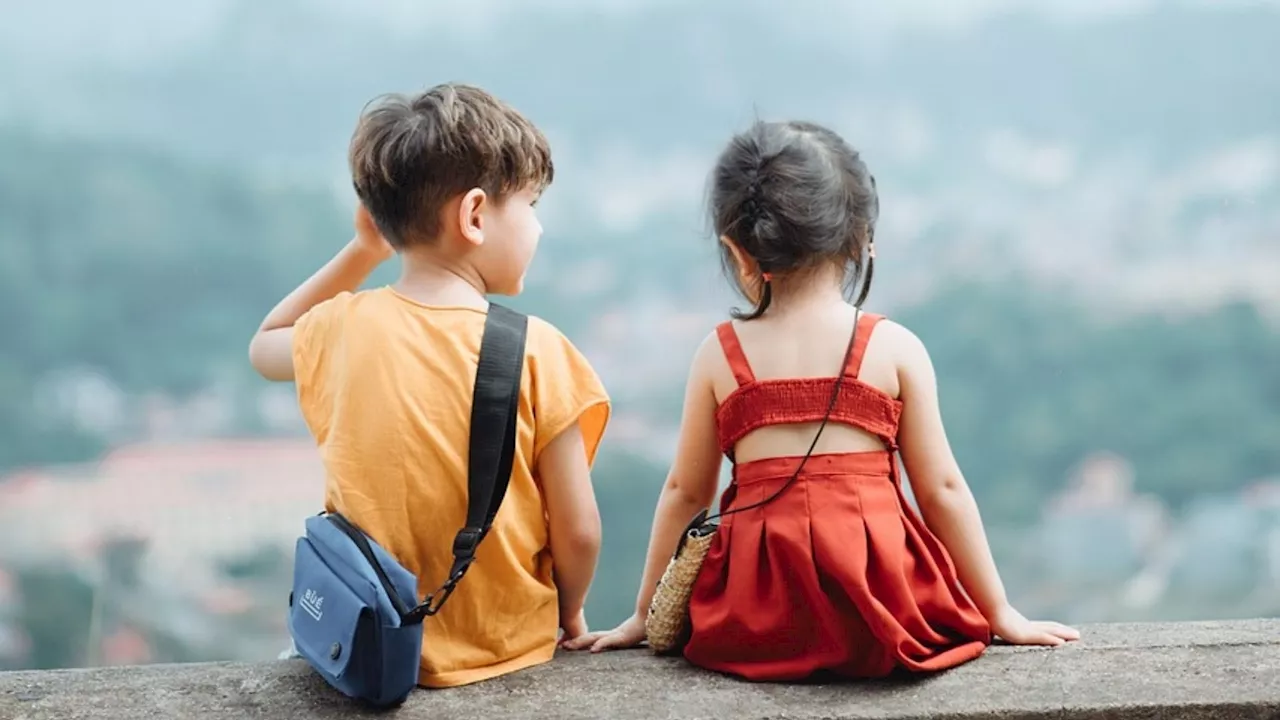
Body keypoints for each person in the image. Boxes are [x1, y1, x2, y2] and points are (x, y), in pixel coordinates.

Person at [566, 119, 1078, 680]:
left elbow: (687, 492)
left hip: (756, 620)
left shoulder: (719, 354)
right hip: (882, 610)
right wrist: (1000, 611)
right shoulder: (893, 348)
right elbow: (941, 489)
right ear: (860, 239)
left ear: (737, 251)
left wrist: (645, 614)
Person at [248, 83, 611, 688]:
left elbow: (266, 344)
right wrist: (567, 611)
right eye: (529, 205)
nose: (538, 228)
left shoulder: (340, 328)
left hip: (371, 643)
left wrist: (364, 252)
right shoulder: (540, 351)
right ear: (474, 216)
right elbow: (580, 532)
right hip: (507, 651)